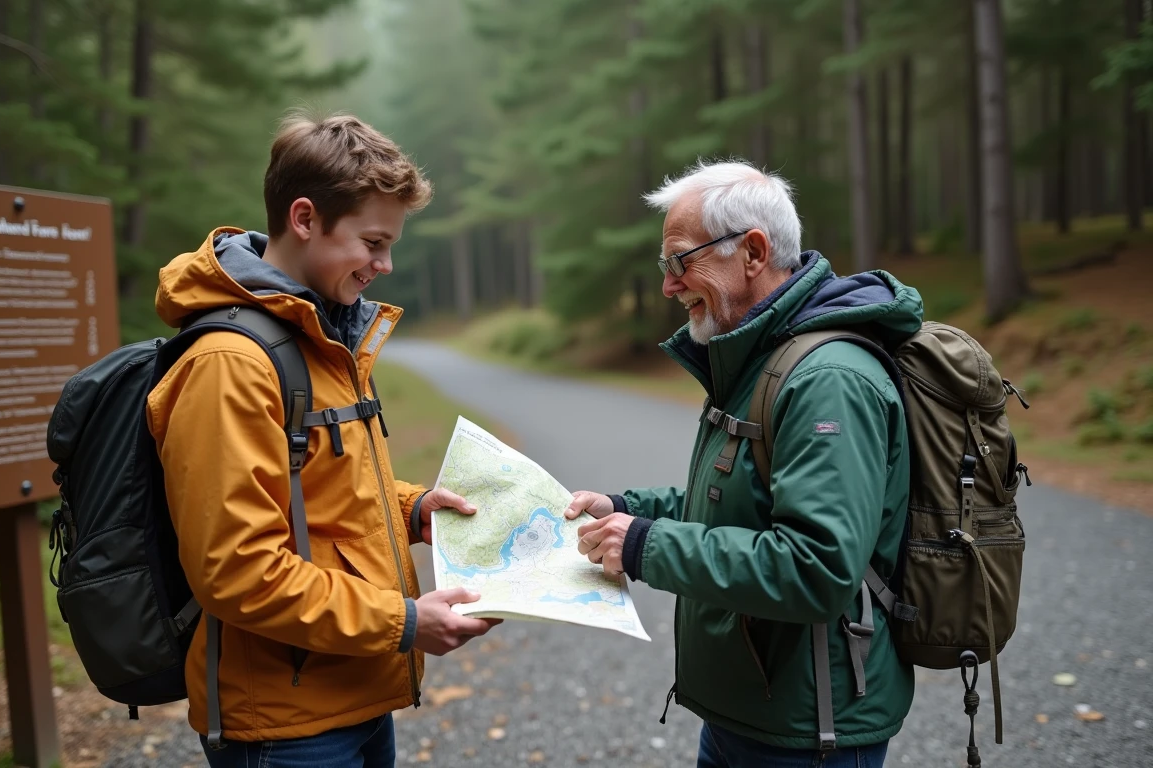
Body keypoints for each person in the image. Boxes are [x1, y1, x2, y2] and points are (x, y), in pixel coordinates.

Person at [146, 111, 498, 767]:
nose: (385, 264)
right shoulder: (231, 363)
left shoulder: (321, 338)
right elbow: (238, 571)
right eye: (371, 242)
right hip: (286, 727)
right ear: (305, 219)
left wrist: (413, 509)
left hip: (355, 696)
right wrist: (408, 622)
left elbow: (320, 492)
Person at [567, 161, 921, 768]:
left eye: (680, 261)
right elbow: (736, 506)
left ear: (753, 252)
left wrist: (646, 545)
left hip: (811, 731)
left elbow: (818, 566)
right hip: (753, 715)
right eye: (664, 266)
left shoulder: (827, 380)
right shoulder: (758, 356)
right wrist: (626, 511)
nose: (669, 286)